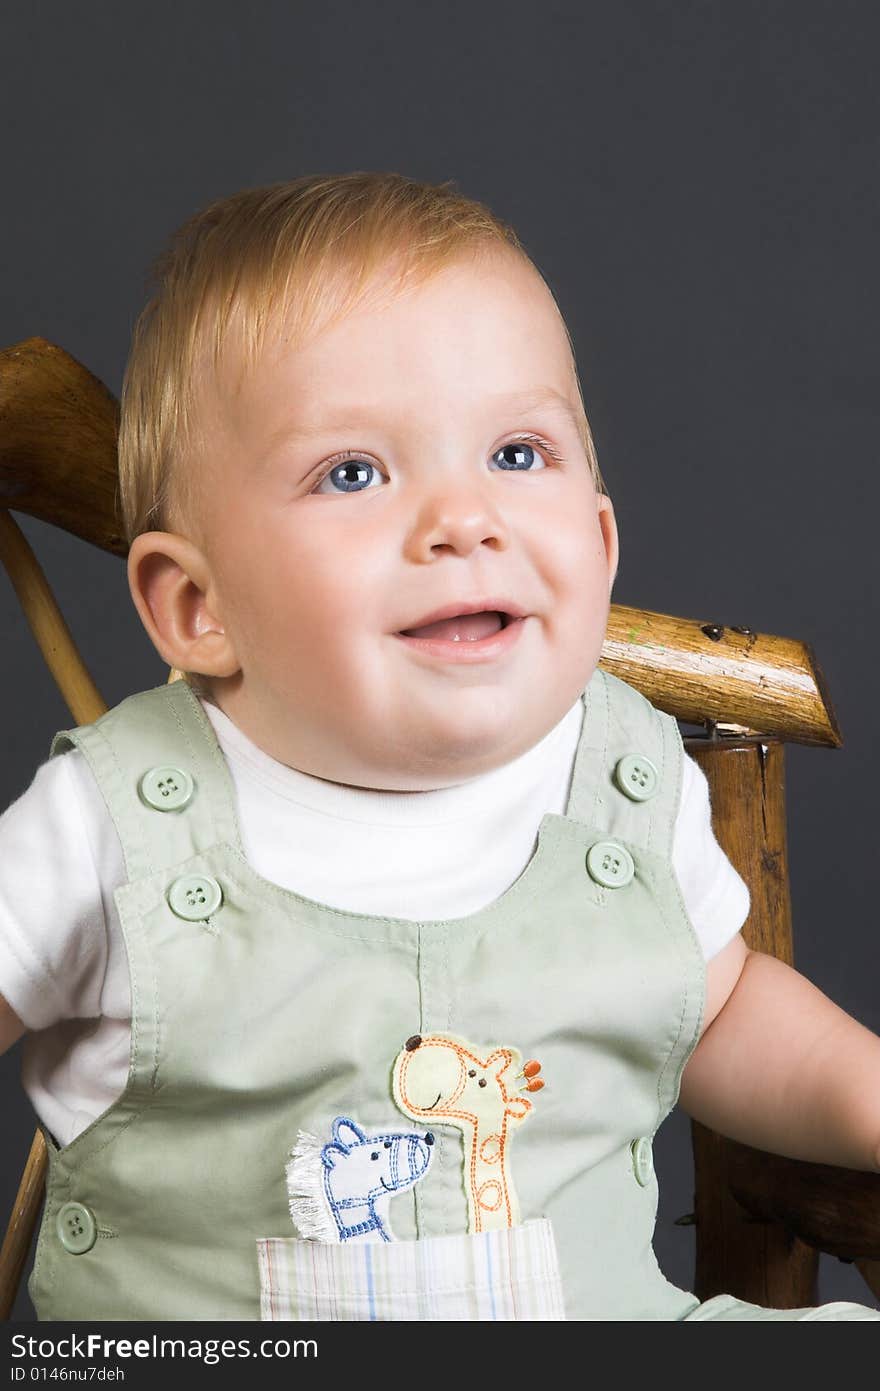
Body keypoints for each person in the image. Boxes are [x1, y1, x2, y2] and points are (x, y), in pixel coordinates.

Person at [1, 172, 878, 1321]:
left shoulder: (619, 781)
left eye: (517, 454)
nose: (464, 520)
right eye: (353, 472)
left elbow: (712, 1011)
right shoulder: (112, 822)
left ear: (599, 542)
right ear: (195, 606)